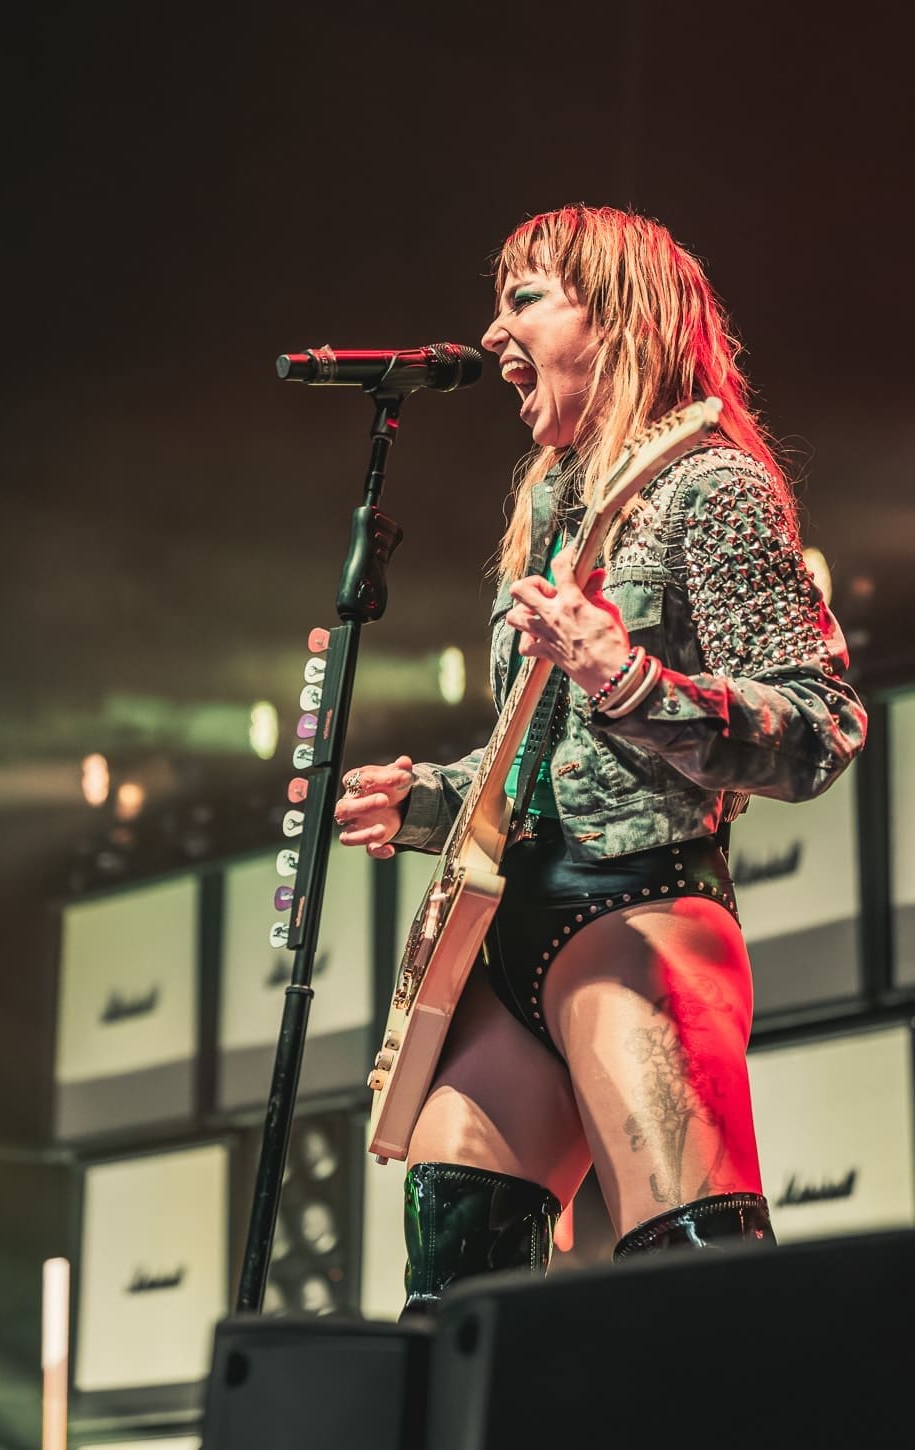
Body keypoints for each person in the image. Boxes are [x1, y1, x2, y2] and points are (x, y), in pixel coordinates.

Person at [334, 203, 868, 1314]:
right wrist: (430, 797)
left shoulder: (711, 484)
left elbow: (819, 723)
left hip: (641, 913)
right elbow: (544, 747)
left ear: (618, 316)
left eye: (524, 298)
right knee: (452, 1302)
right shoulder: (552, 503)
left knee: (695, 1296)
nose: (493, 334)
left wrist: (629, 677)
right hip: (511, 927)